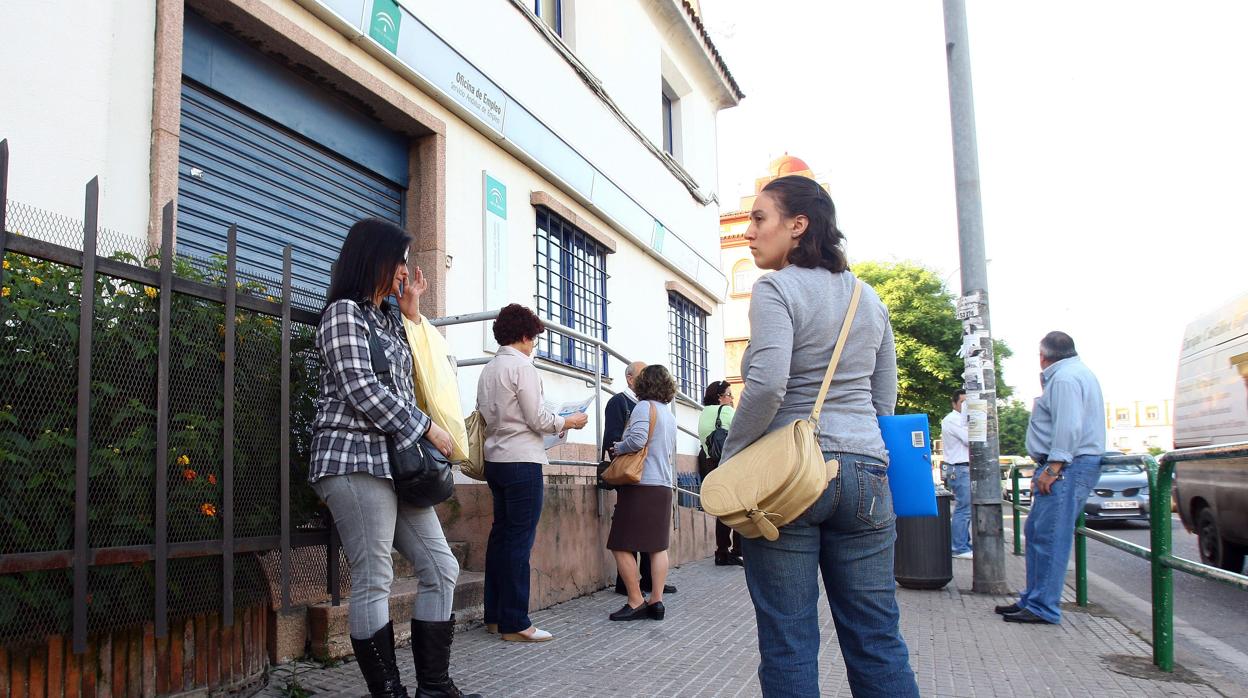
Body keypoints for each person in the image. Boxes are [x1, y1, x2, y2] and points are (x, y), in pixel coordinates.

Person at [718, 176, 919, 697]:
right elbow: (883, 399)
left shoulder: (776, 288)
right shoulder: (868, 298)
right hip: (866, 473)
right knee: (877, 637)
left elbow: (765, 385)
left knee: (789, 640)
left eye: (760, 219)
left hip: (788, 479)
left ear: (797, 226)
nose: (749, 233)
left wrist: (734, 459)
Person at [310, 218, 478, 698]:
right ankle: (388, 692)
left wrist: (412, 311)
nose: (405, 270)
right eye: (400, 261)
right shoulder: (342, 313)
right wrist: (428, 428)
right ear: (375, 259)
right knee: (374, 577)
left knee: (442, 569)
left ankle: (435, 687)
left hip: (395, 463)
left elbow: (416, 376)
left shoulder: (386, 317)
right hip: (352, 459)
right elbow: (361, 388)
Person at [477, 304, 589, 642]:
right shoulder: (522, 368)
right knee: (519, 542)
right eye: (534, 339)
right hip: (522, 460)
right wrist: (569, 420)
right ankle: (515, 623)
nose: (534, 345)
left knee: (501, 538)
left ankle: (495, 616)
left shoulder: (488, 369)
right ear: (525, 336)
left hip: (495, 459)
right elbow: (538, 419)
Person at [997, 331, 1105, 624]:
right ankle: (1033, 598)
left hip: (1067, 466)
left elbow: (1068, 425)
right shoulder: (1074, 373)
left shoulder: (1065, 379)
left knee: (1049, 536)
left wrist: (1054, 466)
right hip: (1068, 464)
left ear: (1043, 357)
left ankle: (1043, 605)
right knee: (1037, 531)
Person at [606, 365, 678, 621]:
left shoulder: (642, 407)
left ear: (643, 384)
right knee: (657, 547)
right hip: (663, 485)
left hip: (640, 486)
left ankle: (636, 600)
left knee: (619, 543)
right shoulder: (668, 414)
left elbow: (637, 440)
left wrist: (618, 446)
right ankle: (656, 601)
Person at [697, 380, 743, 566]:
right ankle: (738, 550)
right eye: (729, 394)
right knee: (739, 506)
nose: (732, 399)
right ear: (719, 396)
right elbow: (744, 431)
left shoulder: (703, 414)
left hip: (710, 463)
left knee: (722, 508)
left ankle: (721, 551)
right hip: (730, 463)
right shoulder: (727, 412)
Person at [942, 389, 972, 559]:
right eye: (963, 403)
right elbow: (970, 439)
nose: (966, 406)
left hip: (962, 468)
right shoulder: (953, 420)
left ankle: (963, 543)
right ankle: (959, 546)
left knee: (965, 508)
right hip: (959, 468)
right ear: (955, 404)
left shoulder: (960, 420)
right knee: (964, 508)